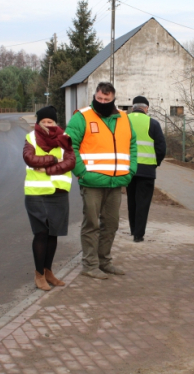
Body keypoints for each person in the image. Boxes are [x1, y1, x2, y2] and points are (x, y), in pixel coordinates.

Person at [66, 82, 137, 279]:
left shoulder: (124, 117)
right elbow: (69, 146)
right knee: (91, 224)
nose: (103, 102)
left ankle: (104, 261)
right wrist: (81, 173)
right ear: (94, 96)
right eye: (99, 98)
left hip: (116, 183)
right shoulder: (82, 117)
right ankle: (90, 265)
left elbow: (132, 144)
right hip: (91, 183)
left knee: (111, 224)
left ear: (113, 99)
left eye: (107, 99)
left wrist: (131, 171)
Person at [23, 106, 76, 291]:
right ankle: (39, 274)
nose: (47, 124)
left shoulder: (65, 139)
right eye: (43, 121)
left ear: (56, 122)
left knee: (54, 233)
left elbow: (70, 162)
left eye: (50, 121)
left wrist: (46, 168)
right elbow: (29, 158)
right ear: (38, 123)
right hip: (36, 193)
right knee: (41, 233)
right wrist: (53, 160)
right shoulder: (31, 138)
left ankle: (48, 272)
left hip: (59, 192)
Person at [126, 96, 166, 242]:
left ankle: (132, 229)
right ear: (146, 108)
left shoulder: (124, 121)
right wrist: (156, 162)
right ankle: (138, 235)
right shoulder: (153, 123)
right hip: (147, 171)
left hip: (128, 169)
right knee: (143, 203)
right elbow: (161, 148)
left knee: (132, 200)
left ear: (133, 107)